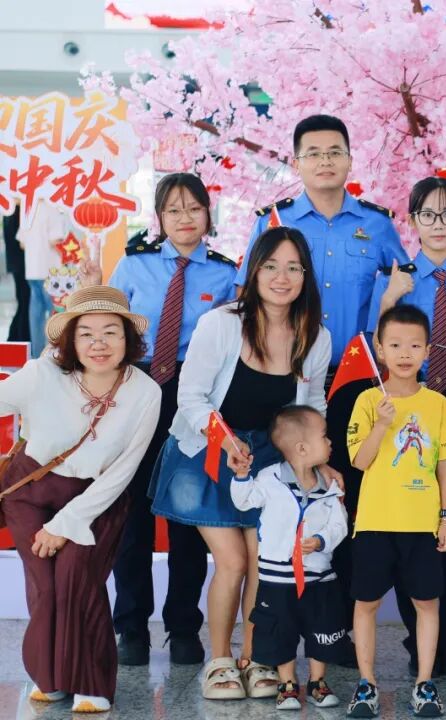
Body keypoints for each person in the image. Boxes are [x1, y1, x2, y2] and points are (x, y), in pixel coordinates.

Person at [150, 226, 334, 700]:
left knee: (262, 559)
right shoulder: (221, 323)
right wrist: (227, 441)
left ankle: (254, 659)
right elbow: (191, 398)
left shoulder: (316, 336)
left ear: (306, 276)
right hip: (208, 450)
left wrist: (316, 458)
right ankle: (220, 663)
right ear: (253, 272)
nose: (281, 277)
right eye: (270, 266)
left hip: (270, 460)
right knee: (231, 560)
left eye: (293, 268)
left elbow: (313, 405)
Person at [237, 114, 408, 597]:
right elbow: (245, 294)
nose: (324, 161)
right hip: (285, 374)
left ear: (350, 160)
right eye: (312, 153)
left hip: (355, 378)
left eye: (334, 152)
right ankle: (282, 606)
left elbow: (401, 295)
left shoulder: (376, 225)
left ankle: (342, 613)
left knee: (346, 489)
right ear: (296, 163)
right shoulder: (274, 222)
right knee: (283, 485)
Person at [79, 173, 236, 666]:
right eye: (173, 209)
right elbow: (106, 329)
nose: (184, 218)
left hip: (195, 396)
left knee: (187, 513)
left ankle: (183, 627)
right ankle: (131, 628)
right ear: (159, 218)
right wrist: (89, 292)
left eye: (194, 208)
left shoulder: (227, 275)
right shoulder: (133, 265)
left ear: (208, 215)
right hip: (138, 389)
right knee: (133, 515)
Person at [0, 286, 161, 713]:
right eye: (86, 333)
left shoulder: (146, 392)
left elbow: (124, 469)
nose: (98, 343)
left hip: (97, 496)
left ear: (128, 338)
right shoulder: (42, 374)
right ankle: (50, 678)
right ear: (70, 340)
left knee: (78, 578)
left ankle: (93, 682)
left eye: (111, 332)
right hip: (31, 490)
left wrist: (65, 525)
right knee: (46, 587)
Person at [367, 176, 446, 676]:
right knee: (410, 524)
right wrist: (389, 301)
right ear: (412, 221)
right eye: (427, 214)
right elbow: (374, 345)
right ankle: (419, 643)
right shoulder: (393, 280)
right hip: (405, 402)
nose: (438, 224)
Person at [345, 304, 446, 718]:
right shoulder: (367, 401)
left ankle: (425, 683)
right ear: (380, 349)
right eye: (394, 345)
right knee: (366, 603)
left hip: (422, 524)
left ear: (428, 351)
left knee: (427, 603)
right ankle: (367, 683)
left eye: (414, 345)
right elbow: (360, 462)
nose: (404, 353)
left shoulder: (438, 404)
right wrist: (381, 424)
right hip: (375, 522)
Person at [230, 405, 351, 712]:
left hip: (319, 578)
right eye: (324, 436)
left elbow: (340, 524)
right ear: (302, 448)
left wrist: (321, 540)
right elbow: (244, 502)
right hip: (277, 579)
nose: (330, 442)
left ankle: (317, 682)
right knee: (279, 631)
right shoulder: (269, 479)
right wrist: (241, 476)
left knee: (322, 630)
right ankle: (287, 684)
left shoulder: (329, 485)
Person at [17, 200, 69, 356]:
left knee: (36, 316)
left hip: (32, 269)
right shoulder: (52, 209)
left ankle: (37, 356)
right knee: (56, 315)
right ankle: (55, 355)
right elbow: (55, 240)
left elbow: (22, 244)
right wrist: (71, 257)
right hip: (49, 270)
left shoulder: (27, 210)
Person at [2, 201, 30, 342]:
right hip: (23, 265)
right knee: (25, 301)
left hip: (17, 264)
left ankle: (15, 338)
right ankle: (20, 339)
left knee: (23, 301)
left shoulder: (10, 211)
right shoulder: (18, 212)